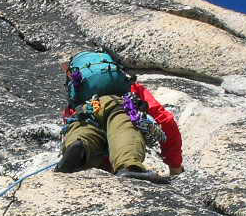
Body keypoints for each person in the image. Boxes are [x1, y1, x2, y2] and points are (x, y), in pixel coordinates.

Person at [54, 52, 184, 183]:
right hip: (118, 106)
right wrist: (175, 166)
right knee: (125, 126)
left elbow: (69, 123)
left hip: (87, 110)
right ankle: (129, 166)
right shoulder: (131, 88)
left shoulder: (78, 95)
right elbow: (165, 121)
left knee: (81, 128)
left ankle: (80, 147)